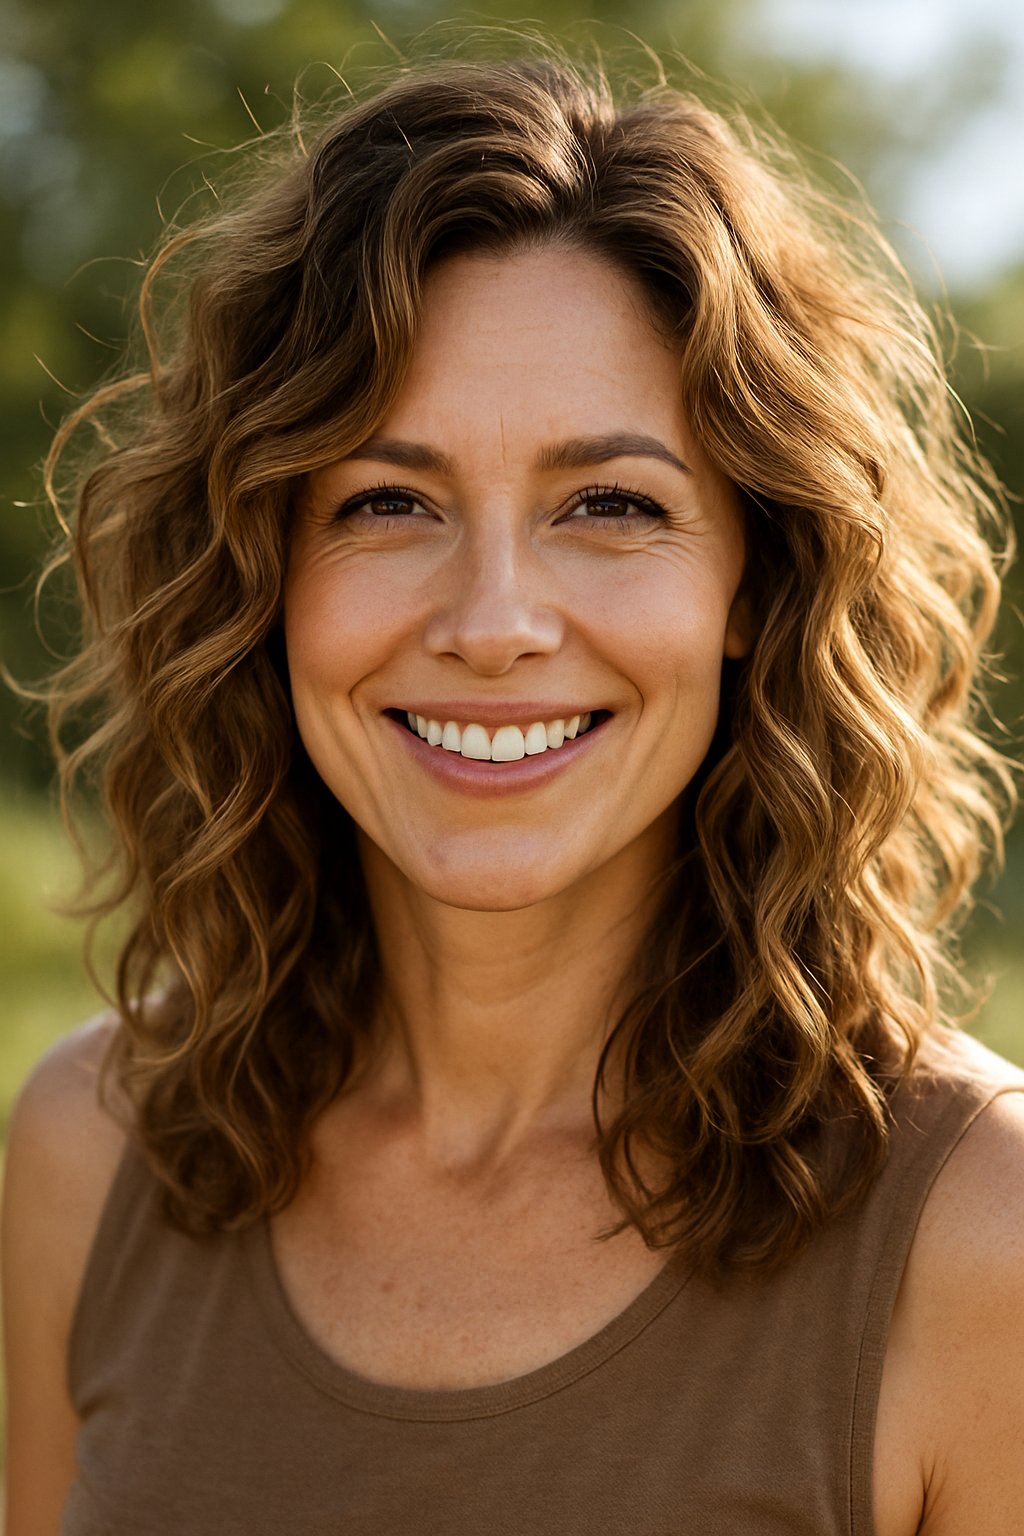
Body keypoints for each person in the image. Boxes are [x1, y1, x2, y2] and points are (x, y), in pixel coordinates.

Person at [3, 43, 1024, 1536]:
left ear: (758, 579)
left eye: (610, 505)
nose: (492, 622)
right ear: (262, 578)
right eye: (385, 503)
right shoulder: (91, 1155)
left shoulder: (976, 1242)